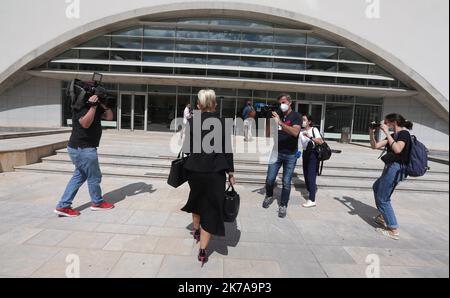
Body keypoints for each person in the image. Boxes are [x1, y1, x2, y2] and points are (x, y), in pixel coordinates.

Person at [181, 89, 235, 266]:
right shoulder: (223, 123)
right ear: (214, 104)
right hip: (215, 172)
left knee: (197, 200)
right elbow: (227, 150)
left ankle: (196, 230)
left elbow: (187, 148)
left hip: (194, 171)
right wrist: (231, 172)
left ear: (199, 105)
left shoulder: (191, 121)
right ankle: (203, 251)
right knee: (211, 209)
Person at [54, 95, 115, 217]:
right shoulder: (80, 107)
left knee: (79, 175)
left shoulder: (96, 107)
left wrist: (103, 105)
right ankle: (97, 203)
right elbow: (85, 124)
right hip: (83, 148)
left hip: (81, 148)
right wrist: (92, 107)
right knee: (94, 177)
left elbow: (109, 117)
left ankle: (63, 205)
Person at [370, 113, 413, 240]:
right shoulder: (393, 136)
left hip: (396, 168)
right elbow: (375, 146)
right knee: (377, 187)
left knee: (383, 198)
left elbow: (398, 149)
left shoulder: (404, 134)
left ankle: (393, 229)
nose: (384, 124)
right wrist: (372, 133)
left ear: (393, 122)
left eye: (386, 122)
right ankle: (383, 216)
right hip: (389, 167)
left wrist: (387, 133)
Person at [263, 93, 302, 218]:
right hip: (276, 152)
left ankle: (283, 205)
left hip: (290, 155)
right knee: (270, 179)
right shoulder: (277, 115)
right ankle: (269, 195)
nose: (282, 105)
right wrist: (269, 120)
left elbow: (295, 132)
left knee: (286, 182)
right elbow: (267, 135)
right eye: (280, 102)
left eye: (284, 102)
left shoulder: (296, 116)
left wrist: (280, 122)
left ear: (290, 103)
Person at [299, 115, 324, 208]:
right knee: (306, 176)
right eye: (302, 120)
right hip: (305, 154)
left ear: (309, 121)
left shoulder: (314, 130)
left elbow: (320, 141)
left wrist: (309, 136)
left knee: (311, 176)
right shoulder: (301, 132)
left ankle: (312, 199)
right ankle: (311, 191)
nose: (302, 121)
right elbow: (300, 144)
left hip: (313, 154)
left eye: (304, 120)